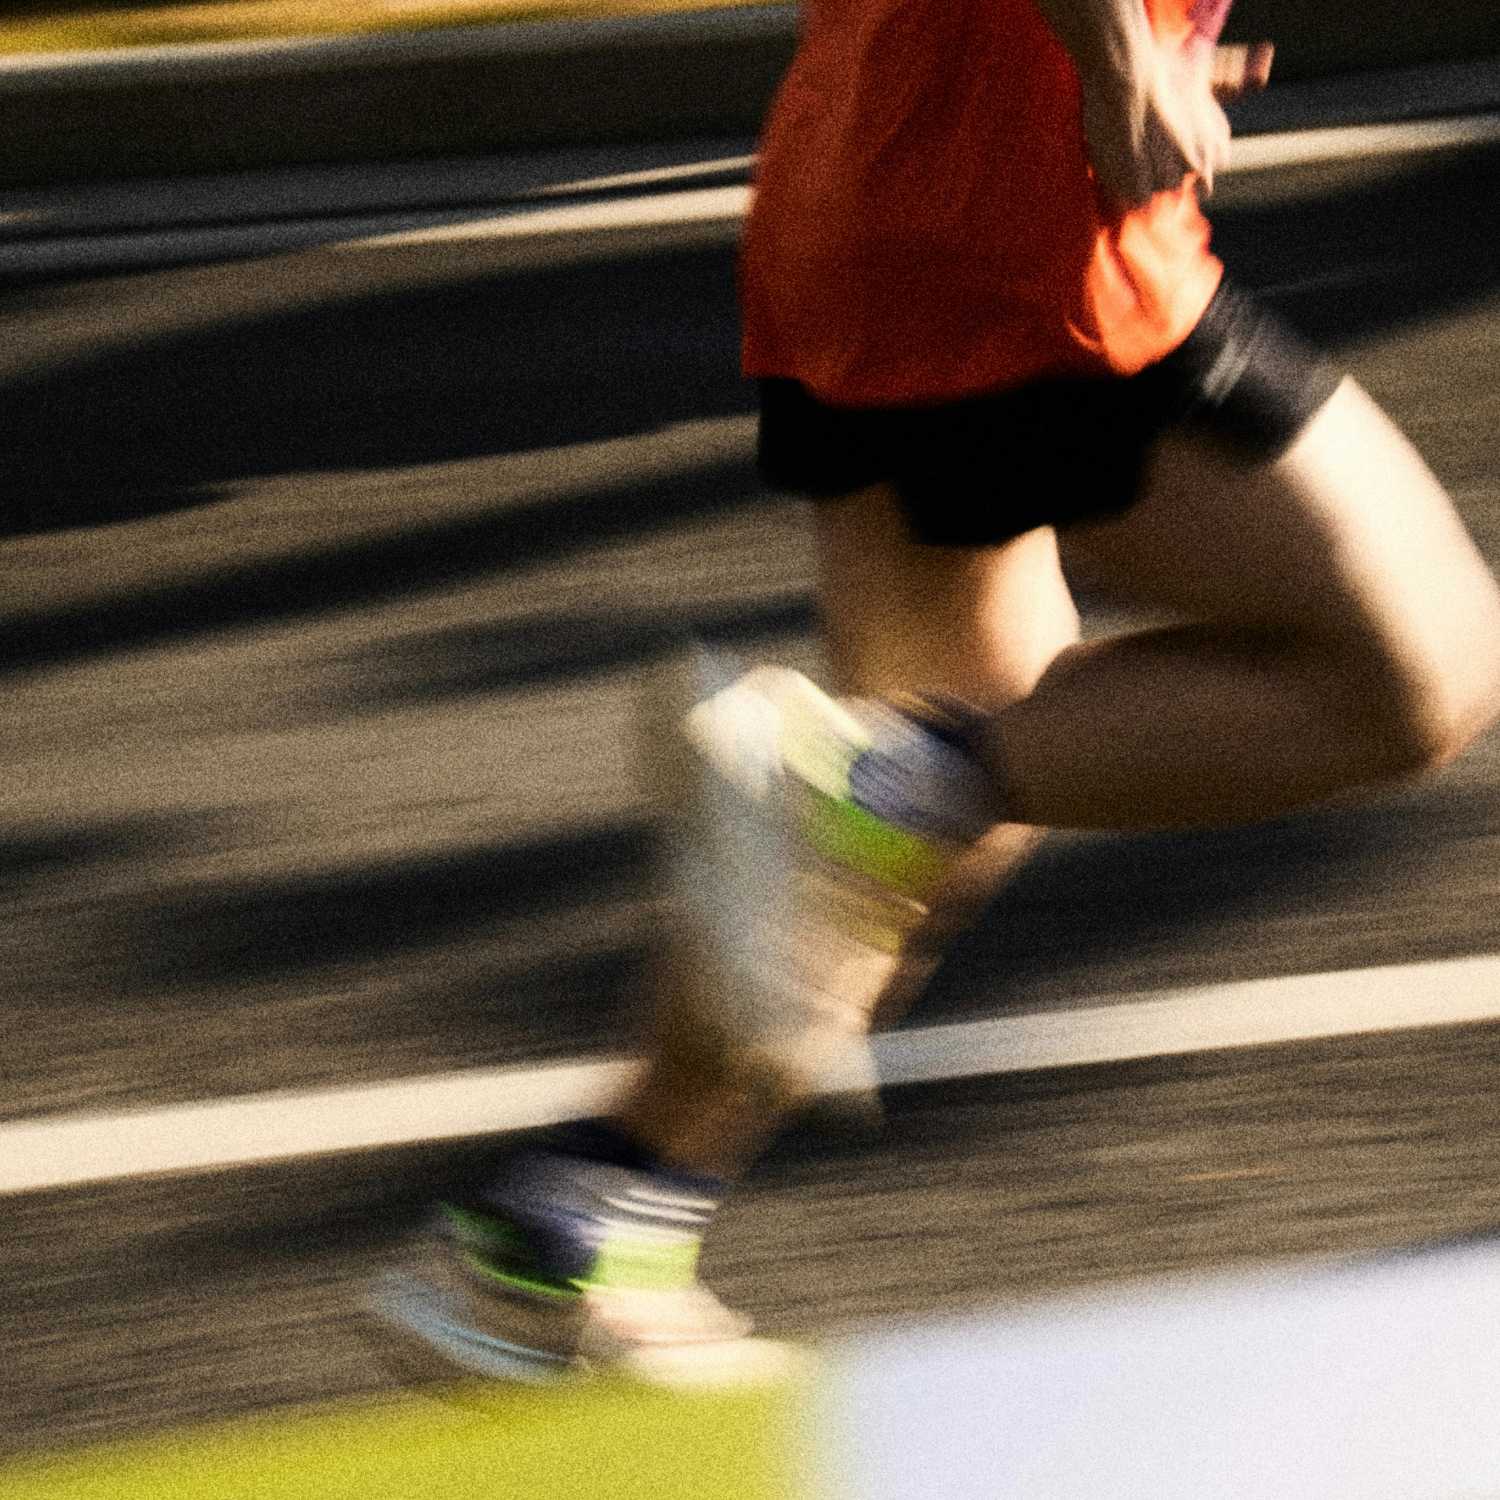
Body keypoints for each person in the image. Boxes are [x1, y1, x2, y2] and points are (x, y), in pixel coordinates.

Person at [375, 0, 1500, 1378]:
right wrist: (1118, 55)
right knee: (1420, 669)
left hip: (874, 176)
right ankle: (850, 787)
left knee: (944, 776)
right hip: (1024, 229)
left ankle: (571, 1227)